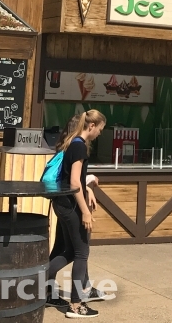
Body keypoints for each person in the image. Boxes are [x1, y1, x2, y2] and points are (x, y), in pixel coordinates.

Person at [46, 109, 110, 318]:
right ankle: (76, 305)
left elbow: (73, 179)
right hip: (71, 205)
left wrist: (87, 188)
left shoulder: (70, 143)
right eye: (100, 129)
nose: (100, 133)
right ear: (91, 126)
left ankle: (37, 284)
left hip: (62, 203)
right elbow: (74, 181)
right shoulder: (79, 146)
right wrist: (85, 211)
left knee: (69, 251)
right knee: (81, 253)